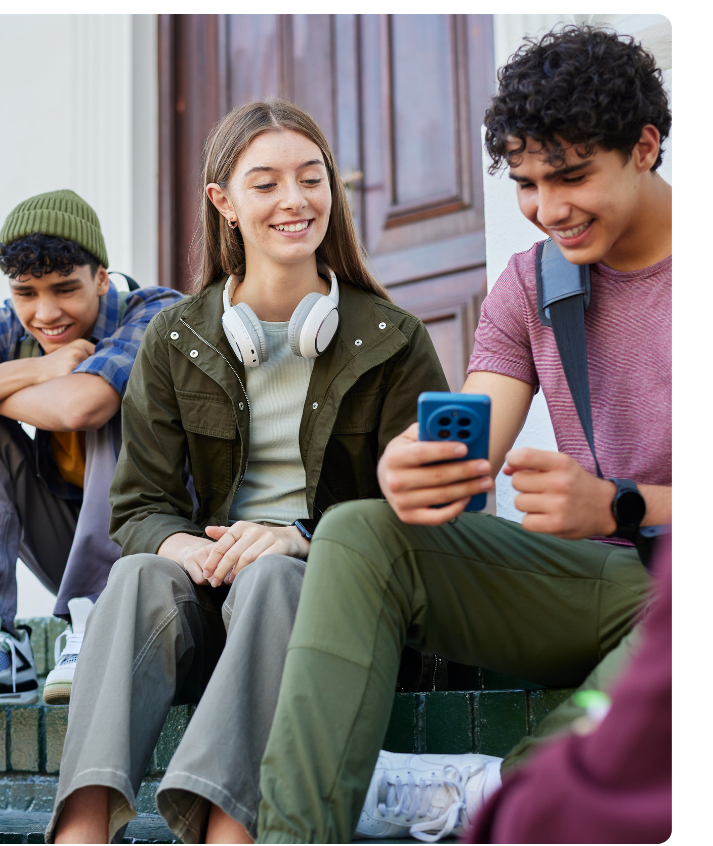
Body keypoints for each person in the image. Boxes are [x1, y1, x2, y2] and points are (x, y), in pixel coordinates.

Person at [256, 25, 672, 843]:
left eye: (573, 176)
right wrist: (415, 467)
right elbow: (472, 441)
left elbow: (614, 509)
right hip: (596, 580)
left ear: (646, 148)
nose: (548, 210)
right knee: (359, 533)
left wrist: (617, 506)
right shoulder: (533, 282)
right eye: (526, 183)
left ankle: (515, 803)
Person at [47, 99, 450, 845]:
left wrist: (300, 537)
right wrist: (189, 549)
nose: (295, 201)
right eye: (265, 184)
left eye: (311, 178)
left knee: (271, 577)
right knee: (136, 577)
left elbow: (426, 512)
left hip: (335, 591)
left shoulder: (395, 340)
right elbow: (139, 507)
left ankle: (229, 833)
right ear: (223, 202)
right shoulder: (175, 338)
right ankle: (81, 832)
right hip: (214, 582)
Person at [0, 190, 181, 706]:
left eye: (65, 289)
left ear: (102, 278)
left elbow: (81, 407)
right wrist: (32, 370)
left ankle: (97, 618)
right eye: (26, 293)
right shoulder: (11, 326)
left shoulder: (156, 311)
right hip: (68, 539)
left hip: (158, 546)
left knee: (113, 403)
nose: (46, 313)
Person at [465, 535, 672, 843]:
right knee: (371, 529)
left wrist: (618, 504)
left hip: (655, 572)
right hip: (575, 560)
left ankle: (506, 794)